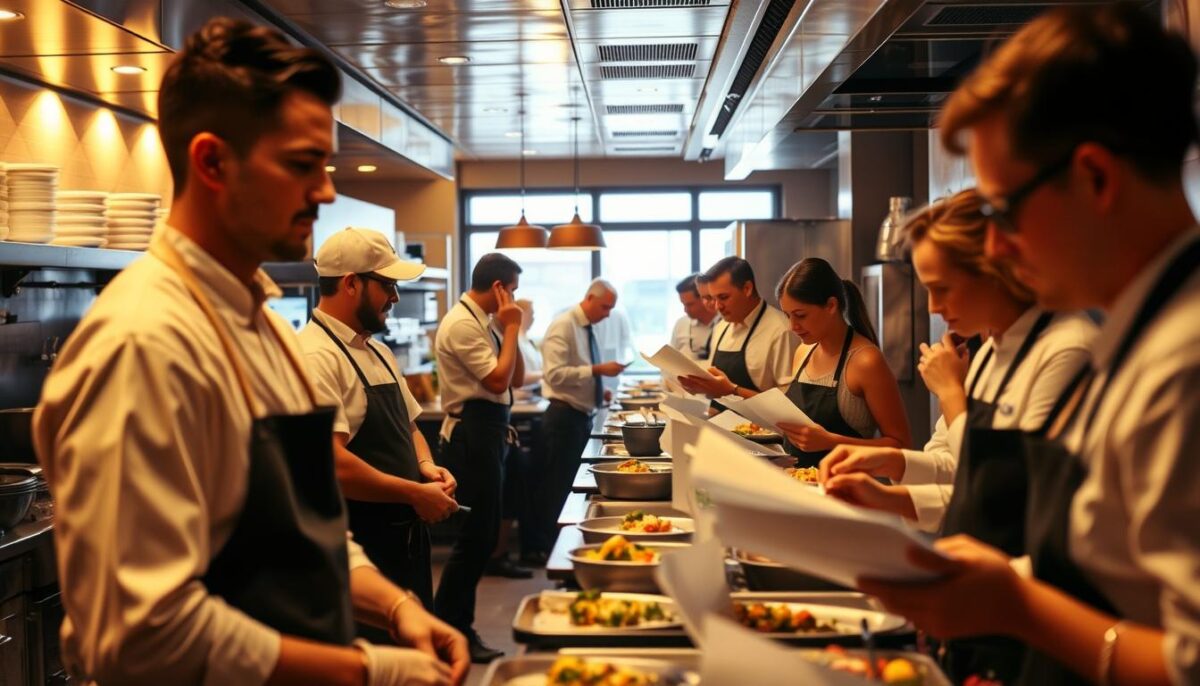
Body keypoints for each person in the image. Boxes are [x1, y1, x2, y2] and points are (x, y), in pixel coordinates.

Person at [32, 17, 467, 686]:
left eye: (324, 166)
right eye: (301, 165)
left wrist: (398, 606)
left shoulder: (260, 323)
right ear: (212, 162)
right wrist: (367, 670)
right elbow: (144, 635)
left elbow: (304, 526)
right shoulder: (145, 342)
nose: (324, 191)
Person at [856, 5, 1200, 685]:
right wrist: (989, 580)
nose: (997, 249)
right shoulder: (1133, 337)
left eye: (1004, 212)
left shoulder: (1181, 362)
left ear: (1096, 179)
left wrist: (1017, 606)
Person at [822, 190, 1097, 682]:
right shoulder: (993, 346)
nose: (933, 307)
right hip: (972, 601)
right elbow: (957, 470)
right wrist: (888, 480)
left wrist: (952, 394)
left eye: (942, 288)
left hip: (1024, 611)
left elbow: (1014, 500)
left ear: (996, 269)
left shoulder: (1066, 349)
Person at [299, 227, 460, 622]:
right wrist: (413, 493)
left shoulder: (379, 350)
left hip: (404, 538)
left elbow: (410, 428)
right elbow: (331, 464)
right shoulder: (314, 356)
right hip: (361, 548)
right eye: (387, 284)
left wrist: (424, 467)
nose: (395, 296)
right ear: (352, 284)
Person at [432, 252, 525, 664]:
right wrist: (513, 325)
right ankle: (452, 627)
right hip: (470, 432)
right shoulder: (461, 324)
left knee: (484, 535)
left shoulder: (485, 323)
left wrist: (510, 331)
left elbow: (515, 378)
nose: (516, 300)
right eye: (513, 290)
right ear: (500, 288)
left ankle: (455, 625)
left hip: (488, 429)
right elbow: (497, 379)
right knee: (475, 538)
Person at [772, 258, 911, 467]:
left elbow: (901, 447)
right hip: (800, 484)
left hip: (846, 490)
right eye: (787, 315)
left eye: (800, 315)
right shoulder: (803, 352)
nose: (793, 326)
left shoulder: (865, 361)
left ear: (831, 305)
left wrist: (830, 441)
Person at [538, 280, 627, 554]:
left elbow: (579, 372)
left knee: (569, 486)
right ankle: (554, 548)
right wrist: (598, 370)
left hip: (579, 414)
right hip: (563, 417)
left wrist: (599, 394)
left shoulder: (586, 327)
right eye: (605, 307)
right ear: (589, 297)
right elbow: (554, 375)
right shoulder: (563, 325)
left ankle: (566, 545)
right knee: (560, 488)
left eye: (611, 308)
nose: (608, 314)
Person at [678, 257, 796, 407]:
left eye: (723, 297)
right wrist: (700, 386)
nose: (717, 306)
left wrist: (732, 390)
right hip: (718, 424)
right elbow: (716, 387)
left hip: (759, 428)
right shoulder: (722, 326)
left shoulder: (780, 330)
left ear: (747, 289)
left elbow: (788, 404)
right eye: (713, 298)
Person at [670, 273, 719, 361]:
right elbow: (670, 360)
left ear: (704, 298)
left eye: (690, 304)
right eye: (683, 304)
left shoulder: (726, 323)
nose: (685, 310)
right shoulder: (681, 324)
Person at [515, 299, 542, 386]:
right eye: (531, 314)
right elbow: (521, 377)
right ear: (521, 314)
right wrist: (546, 374)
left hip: (534, 391)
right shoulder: (516, 342)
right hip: (522, 394)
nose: (533, 318)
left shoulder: (528, 341)